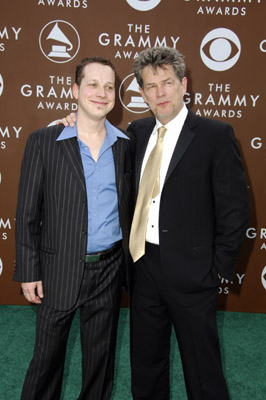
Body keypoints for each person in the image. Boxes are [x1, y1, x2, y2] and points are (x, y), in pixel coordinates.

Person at [61, 46, 249, 399]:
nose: (159, 93)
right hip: (142, 266)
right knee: (146, 366)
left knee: (203, 370)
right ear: (142, 92)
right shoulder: (137, 131)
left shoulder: (215, 134)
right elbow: (96, 140)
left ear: (183, 84)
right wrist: (71, 121)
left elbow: (235, 208)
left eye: (167, 83)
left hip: (194, 273)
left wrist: (215, 269)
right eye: (150, 86)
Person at [14, 56, 134, 400]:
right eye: (93, 84)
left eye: (109, 86)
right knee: (46, 362)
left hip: (109, 269)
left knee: (100, 362)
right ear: (75, 90)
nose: (102, 93)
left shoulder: (125, 145)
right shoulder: (44, 141)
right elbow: (26, 212)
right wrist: (28, 270)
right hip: (57, 268)